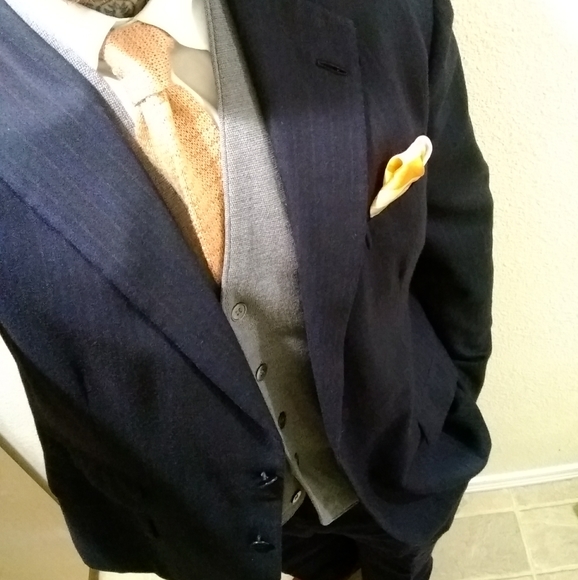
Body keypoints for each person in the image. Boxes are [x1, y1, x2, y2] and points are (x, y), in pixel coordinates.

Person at [0, 0, 493, 578]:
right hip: (194, 518)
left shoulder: (386, 11)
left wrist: (450, 401)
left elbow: (455, 221)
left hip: (398, 453)